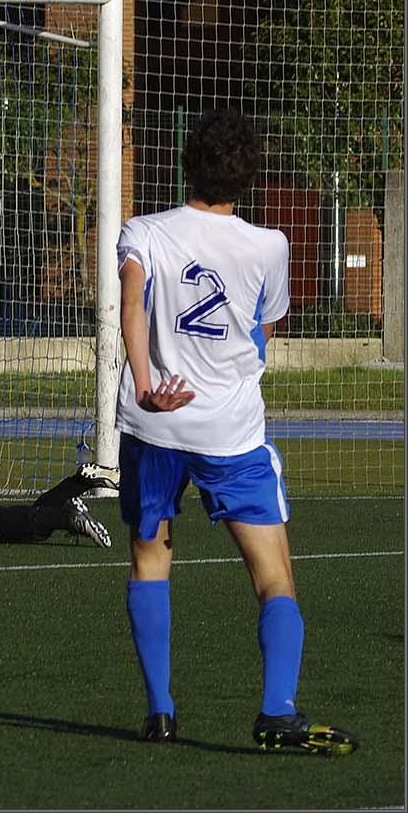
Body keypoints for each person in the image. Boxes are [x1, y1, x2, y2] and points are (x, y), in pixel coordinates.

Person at [115, 107, 355, 753]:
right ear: (249, 178)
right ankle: (277, 711)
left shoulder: (143, 231)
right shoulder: (269, 244)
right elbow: (263, 328)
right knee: (274, 576)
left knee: (150, 560)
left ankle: (161, 713)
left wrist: (147, 384)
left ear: (186, 164)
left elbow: (132, 307)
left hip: (154, 426)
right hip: (232, 433)